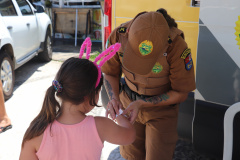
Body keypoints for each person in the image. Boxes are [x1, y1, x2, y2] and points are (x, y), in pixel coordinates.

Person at [102, 9, 196, 160]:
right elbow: (110, 72)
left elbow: (181, 92)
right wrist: (114, 99)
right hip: (128, 103)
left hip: (161, 111)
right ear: (130, 31)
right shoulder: (119, 35)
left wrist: (143, 103)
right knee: (131, 155)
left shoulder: (177, 46)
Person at [19, 38, 136, 160]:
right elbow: (130, 135)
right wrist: (117, 113)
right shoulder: (100, 126)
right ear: (91, 95)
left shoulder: (36, 131)